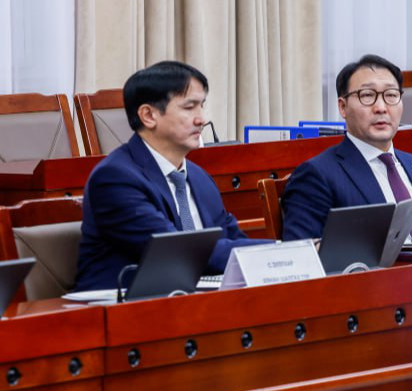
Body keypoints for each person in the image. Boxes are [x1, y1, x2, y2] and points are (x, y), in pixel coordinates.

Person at [75, 61, 268, 291]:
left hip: (194, 299)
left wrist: (282, 252)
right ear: (148, 115)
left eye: (201, 106)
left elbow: (234, 239)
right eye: (189, 107)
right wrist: (274, 251)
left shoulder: (199, 177)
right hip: (122, 305)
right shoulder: (114, 178)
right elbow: (178, 253)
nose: (202, 119)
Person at [282, 54, 412, 241]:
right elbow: (303, 250)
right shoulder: (317, 174)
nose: (381, 107)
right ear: (343, 107)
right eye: (367, 95)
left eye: (391, 95)